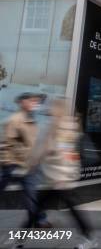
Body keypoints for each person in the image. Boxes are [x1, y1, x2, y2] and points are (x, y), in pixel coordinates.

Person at [26, 99, 97, 249]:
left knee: (38, 209)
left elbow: (61, 154)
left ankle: (19, 241)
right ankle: (19, 240)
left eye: (51, 107)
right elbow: (65, 153)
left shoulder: (59, 127)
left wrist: (32, 164)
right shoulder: (65, 126)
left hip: (58, 179)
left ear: (57, 110)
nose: (48, 109)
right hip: (56, 178)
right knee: (39, 208)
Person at [0, 92, 50, 228]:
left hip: (28, 164)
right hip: (13, 164)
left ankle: (40, 220)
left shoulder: (31, 120)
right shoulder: (15, 120)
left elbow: (32, 143)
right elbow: (7, 144)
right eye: (32, 101)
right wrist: (10, 163)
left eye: (36, 102)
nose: (35, 104)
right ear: (23, 102)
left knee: (31, 191)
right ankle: (40, 219)